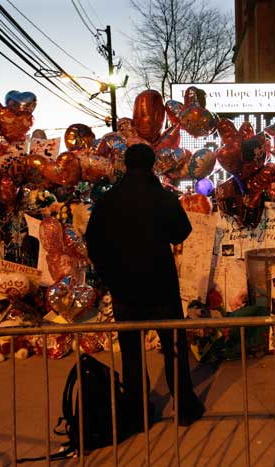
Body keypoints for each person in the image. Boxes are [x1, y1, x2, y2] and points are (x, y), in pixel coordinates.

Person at [85, 143, 205, 428]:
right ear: (152, 165)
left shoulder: (109, 200)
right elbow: (181, 233)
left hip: (124, 287)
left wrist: (108, 275)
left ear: (126, 164)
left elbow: (94, 242)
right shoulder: (162, 198)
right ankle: (185, 408)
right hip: (160, 284)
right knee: (174, 347)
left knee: (132, 353)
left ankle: (137, 413)